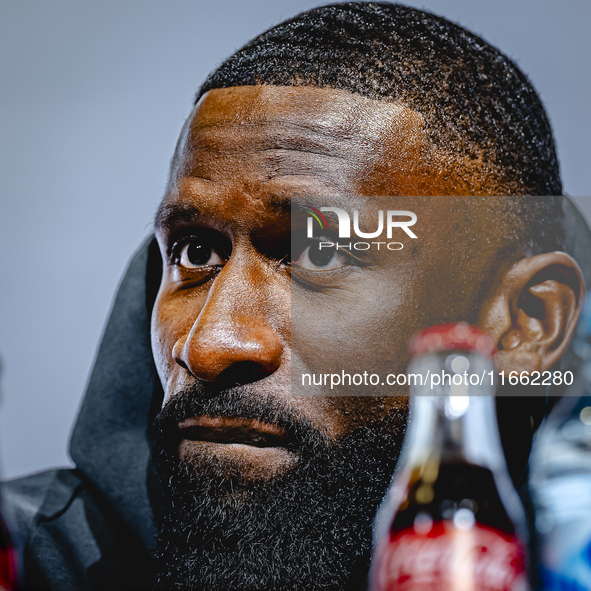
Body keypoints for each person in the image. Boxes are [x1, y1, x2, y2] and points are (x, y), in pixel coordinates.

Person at [3, 3, 590, 590]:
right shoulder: (25, 562)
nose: (210, 345)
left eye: (324, 254)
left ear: (526, 322)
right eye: (195, 252)